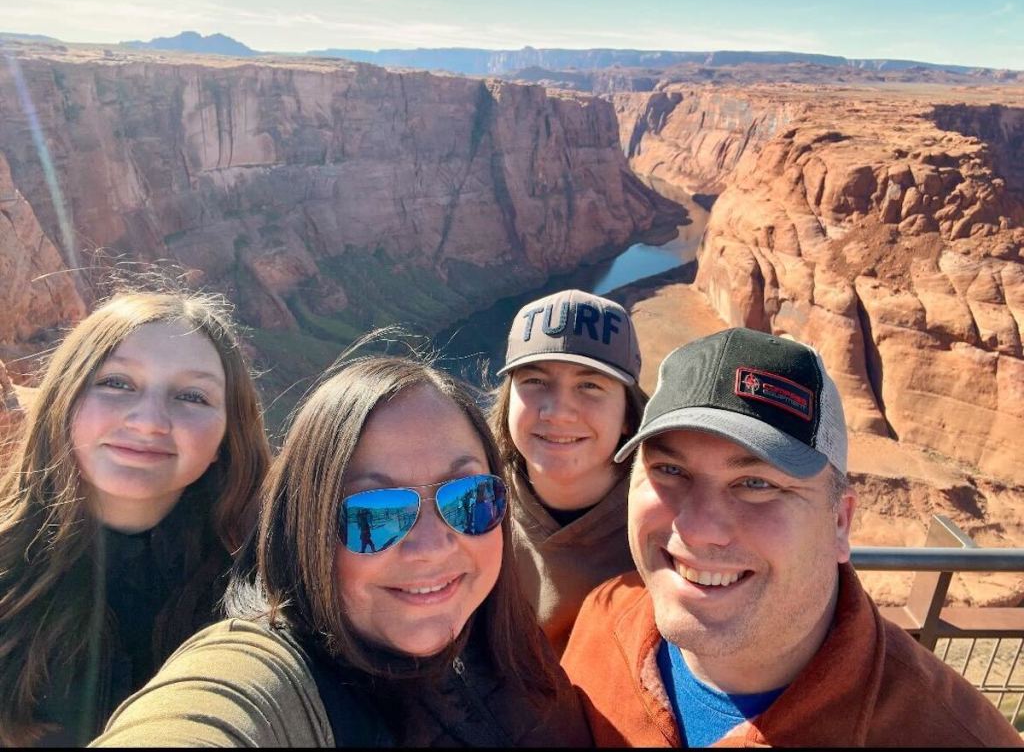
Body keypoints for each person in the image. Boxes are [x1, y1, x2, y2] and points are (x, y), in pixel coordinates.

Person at [92, 355, 592, 747]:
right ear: (305, 526)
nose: (432, 544)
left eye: (469, 499)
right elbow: (201, 719)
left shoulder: (501, 631)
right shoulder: (271, 676)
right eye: (374, 514)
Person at [561, 327, 1024, 747]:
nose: (699, 528)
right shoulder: (602, 621)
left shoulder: (950, 734)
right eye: (669, 470)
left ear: (840, 522)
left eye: (757, 484)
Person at [0, 290, 271, 747]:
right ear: (64, 399)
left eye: (192, 395)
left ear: (229, 433)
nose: (149, 421)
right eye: (117, 383)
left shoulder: (275, 588)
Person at [488, 288, 647, 654]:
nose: (558, 411)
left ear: (627, 414)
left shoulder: (663, 529)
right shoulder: (469, 505)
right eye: (535, 381)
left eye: (589, 385)